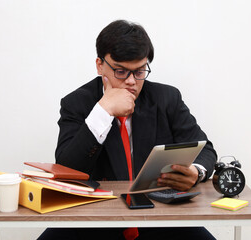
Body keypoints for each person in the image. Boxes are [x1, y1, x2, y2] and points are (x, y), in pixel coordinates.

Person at [38, 20, 217, 240]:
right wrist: (102, 111)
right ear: (100, 65)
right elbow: (67, 169)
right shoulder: (76, 103)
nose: (131, 82)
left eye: (140, 71)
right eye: (121, 71)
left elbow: (205, 149)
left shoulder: (167, 99)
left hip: (160, 216)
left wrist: (196, 173)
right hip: (96, 220)